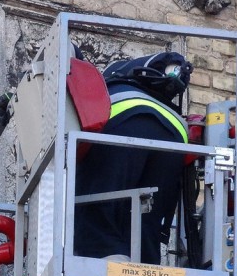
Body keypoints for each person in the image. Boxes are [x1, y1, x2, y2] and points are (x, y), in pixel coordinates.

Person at [73, 51, 191, 264]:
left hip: (125, 118)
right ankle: (145, 267)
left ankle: (104, 258)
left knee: (95, 202)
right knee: (148, 214)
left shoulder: (106, 84)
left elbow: (69, 54)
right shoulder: (154, 92)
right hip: (176, 133)